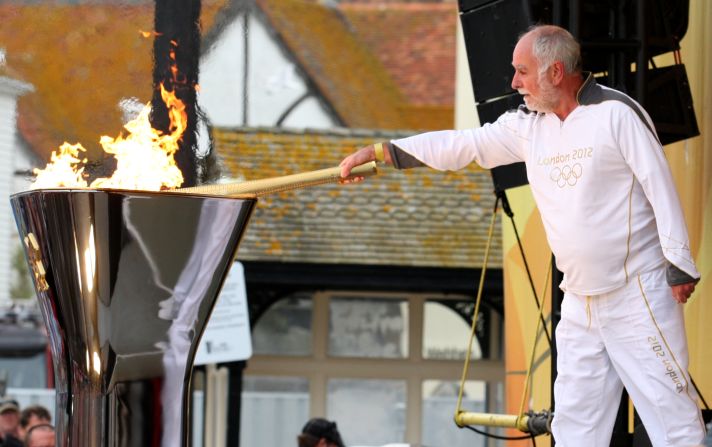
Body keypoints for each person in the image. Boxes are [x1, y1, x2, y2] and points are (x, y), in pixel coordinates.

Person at [339, 24, 704, 447]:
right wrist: (384, 152)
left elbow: (660, 184)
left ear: (555, 72)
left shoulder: (617, 114)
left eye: (522, 71)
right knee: (575, 428)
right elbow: (465, 145)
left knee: (672, 416)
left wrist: (680, 264)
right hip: (581, 302)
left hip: (638, 293)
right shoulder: (528, 127)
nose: (514, 82)